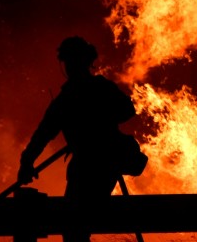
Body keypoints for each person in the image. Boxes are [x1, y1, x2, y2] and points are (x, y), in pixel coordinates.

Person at [17, 36, 137, 242]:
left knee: (74, 230)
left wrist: (27, 162)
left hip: (93, 167)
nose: (70, 66)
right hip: (100, 166)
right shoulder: (96, 89)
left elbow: (127, 110)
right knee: (75, 230)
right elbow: (44, 133)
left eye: (72, 61)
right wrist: (27, 161)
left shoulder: (71, 97)